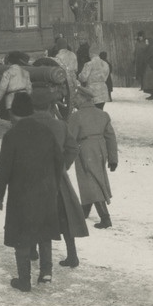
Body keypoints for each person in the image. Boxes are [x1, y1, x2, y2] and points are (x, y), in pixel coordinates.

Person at [0, 92, 62, 292]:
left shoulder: (11, 135)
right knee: (44, 231)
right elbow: (59, 161)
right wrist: (54, 186)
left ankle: (24, 280)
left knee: (21, 235)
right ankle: (46, 272)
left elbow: (3, 167)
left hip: (21, 194)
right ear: (31, 111)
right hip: (46, 191)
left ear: (13, 113)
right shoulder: (46, 131)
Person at [30, 88, 88, 269]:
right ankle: (72, 256)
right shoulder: (60, 125)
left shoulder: (25, 125)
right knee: (65, 216)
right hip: (58, 179)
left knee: (33, 214)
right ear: (50, 106)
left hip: (33, 179)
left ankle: (32, 251)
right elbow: (73, 149)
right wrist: (63, 166)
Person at [68, 86, 118, 229]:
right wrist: (113, 159)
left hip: (85, 150)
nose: (74, 100)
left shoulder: (76, 116)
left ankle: (105, 218)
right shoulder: (103, 114)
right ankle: (83, 212)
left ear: (84, 98)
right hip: (100, 150)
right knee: (92, 180)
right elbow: (110, 137)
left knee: (91, 181)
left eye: (77, 97)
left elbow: (70, 138)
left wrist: (63, 158)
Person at [0, 51, 33, 118]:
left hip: (11, 99)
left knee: (13, 119)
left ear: (9, 63)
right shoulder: (25, 72)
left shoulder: (7, 73)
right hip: (23, 98)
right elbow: (29, 88)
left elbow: (1, 89)